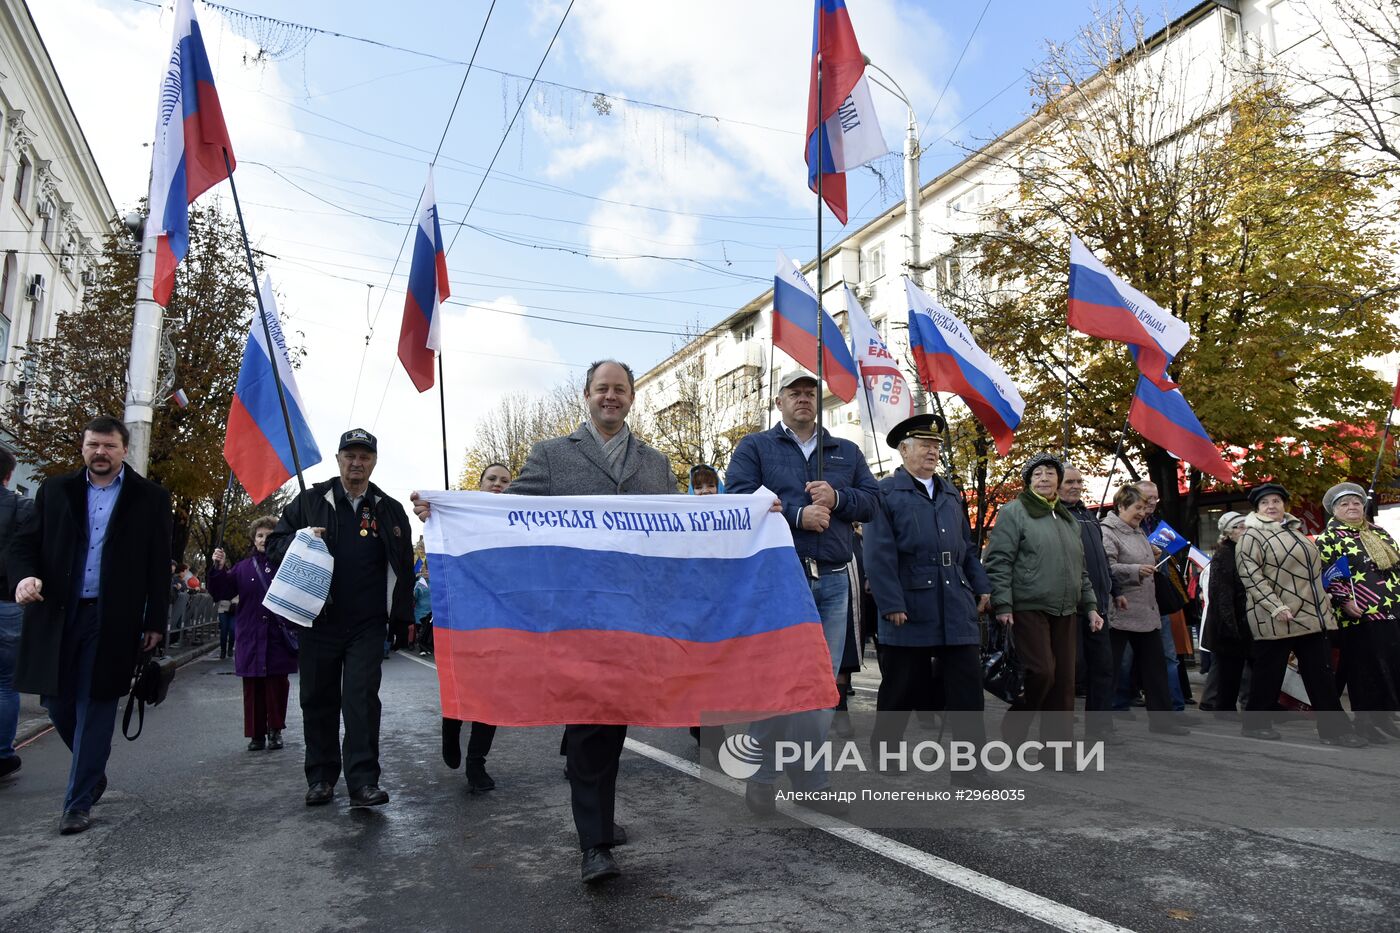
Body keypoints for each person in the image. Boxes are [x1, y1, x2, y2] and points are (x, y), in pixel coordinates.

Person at [415, 360, 677, 885]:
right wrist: (447, 509)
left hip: (632, 618)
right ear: (586, 395)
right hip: (573, 617)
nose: (611, 397)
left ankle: (600, 817)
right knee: (588, 725)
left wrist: (751, 516)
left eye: (619, 389)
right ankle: (593, 845)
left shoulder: (655, 464)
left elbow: (681, 526)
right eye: (602, 388)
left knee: (615, 720)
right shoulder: (553, 455)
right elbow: (505, 511)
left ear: (632, 397)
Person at [726, 370, 879, 815]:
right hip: (780, 578)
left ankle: (810, 781)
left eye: (810, 393)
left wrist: (837, 497)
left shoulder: (845, 450)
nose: (803, 399)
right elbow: (737, 497)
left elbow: (872, 501)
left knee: (819, 687)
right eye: (793, 393)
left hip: (833, 579)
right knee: (780, 682)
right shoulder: (756, 447)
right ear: (778, 402)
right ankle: (763, 777)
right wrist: (795, 514)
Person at [10, 417, 172, 834]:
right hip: (58, 615)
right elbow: (23, 545)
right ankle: (92, 770)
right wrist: (23, 578)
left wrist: (155, 619)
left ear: (123, 450)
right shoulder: (55, 492)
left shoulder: (150, 498)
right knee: (58, 704)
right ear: (83, 448)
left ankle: (77, 803)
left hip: (113, 619)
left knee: (96, 704)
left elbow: (158, 563)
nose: (100, 452)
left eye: (109, 446)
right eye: (93, 445)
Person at [267, 428, 416, 809]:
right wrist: (300, 537)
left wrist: (400, 620)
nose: (356, 463)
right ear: (338, 460)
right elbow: (274, 545)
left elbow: (404, 568)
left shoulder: (389, 508)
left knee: (361, 700)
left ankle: (364, 782)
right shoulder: (311, 501)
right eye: (349, 455)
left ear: (374, 462)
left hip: (368, 624)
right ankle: (320, 777)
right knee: (318, 699)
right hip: (319, 620)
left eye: (364, 456)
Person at [863, 415, 992, 778]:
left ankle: (971, 767)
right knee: (903, 686)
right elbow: (879, 554)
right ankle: (887, 754)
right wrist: (891, 603)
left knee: (968, 688)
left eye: (936, 446)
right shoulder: (885, 493)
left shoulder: (950, 492)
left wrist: (981, 585)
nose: (933, 451)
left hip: (954, 600)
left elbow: (966, 548)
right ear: (904, 450)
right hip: (910, 602)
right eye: (924, 445)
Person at [982, 453, 1103, 750]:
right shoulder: (1014, 512)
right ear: (1029, 482)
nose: (1045, 478)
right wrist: (1004, 605)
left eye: (1050, 473)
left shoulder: (1067, 519)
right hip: (1027, 606)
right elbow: (998, 561)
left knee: (1064, 682)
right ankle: (1015, 725)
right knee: (1041, 672)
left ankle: (1057, 751)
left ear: (1058, 481)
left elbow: (1081, 568)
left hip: (1066, 609)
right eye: (1038, 474)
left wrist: (1091, 607)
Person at [1235, 482, 1365, 746]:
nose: (1271, 506)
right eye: (1264, 503)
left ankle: (1334, 730)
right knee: (1268, 674)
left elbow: (1312, 574)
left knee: (1321, 674)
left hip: (1310, 616)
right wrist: (1276, 606)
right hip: (1275, 617)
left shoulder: (1295, 532)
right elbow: (1251, 576)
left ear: (1285, 505)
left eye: (1276, 501)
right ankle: (1255, 724)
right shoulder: (1251, 536)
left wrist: (1325, 601)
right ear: (1257, 509)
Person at [441, 462, 514, 794]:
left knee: (492, 693)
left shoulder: (518, 521)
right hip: (465, 615)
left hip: (501, 618)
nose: (498, 484)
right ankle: (451, 725)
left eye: (504, 481)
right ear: (480, 483)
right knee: (463, 683)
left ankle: (476, 762)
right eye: (492, 479)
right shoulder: (462, 515)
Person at [1098, 484, 1190, 736]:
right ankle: (1102, 725)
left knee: (1156, 669)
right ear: (1121, 506)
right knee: (1112, 670)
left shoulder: (1138, 531)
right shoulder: (1107, 531)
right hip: (1121, 610)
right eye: (1137, 507)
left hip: (1147, 611)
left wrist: (1152, 554)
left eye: (1144, 508)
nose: (1142, 513)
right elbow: (1107, 567)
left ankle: (1163, 721)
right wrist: (1136, 569)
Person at [1316, 482, 1400, 742]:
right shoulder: (1328, 538)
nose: (1352, 507)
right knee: (1364, 669)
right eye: (1344, 504)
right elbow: (1326, 574)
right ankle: (1365, 720)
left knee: (1392, 666)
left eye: (1356, 503)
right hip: (1359, 613)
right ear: (1334, 510)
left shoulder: (1379, 533)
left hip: (1391, 609)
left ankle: (1383, 717)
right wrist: (1343, 600)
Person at [209, 516, 298, 752]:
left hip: (277, 636)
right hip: (250, 635)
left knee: (276, 686)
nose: (263, 539)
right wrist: (218, 568)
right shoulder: (243, 568)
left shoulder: (288, 565)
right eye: (259, 535)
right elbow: (222, 591)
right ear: (254, 539)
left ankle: (275, 730)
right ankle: (256, 734)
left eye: (269, 535)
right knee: (253, 687)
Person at [1059, 465, 1125, 743]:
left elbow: (1101, 561)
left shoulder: (1089, 517)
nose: (1075, 486)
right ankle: (1057, 731)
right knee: (1069, 670)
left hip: (1098, 605)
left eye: (1078, 481)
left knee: (1103, 667)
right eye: (1069, 482)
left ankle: (1099, 727)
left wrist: (1116, 589)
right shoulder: (1055, 516)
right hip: (1070, 606)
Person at [685, 463, 727, 754]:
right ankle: (705, 727)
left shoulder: (733, 521)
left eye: (710, 485)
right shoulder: (680, 522)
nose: (705, 492)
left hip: (722, 609)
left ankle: (705, 724)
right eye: (698, 487)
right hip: (692, 611)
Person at [0, 447, 34, 780]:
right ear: (9, 475)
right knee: (6, 685)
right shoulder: (21, 507)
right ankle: (2, 754)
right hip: (9, 602)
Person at [1199, 512, 1251, 719]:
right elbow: (1222, 594)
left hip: (1239, 619)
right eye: (1239, 527)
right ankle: (1224, 708)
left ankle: (1225, 705)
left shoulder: (1242, 551)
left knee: (1232, 667)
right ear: (1228, 532)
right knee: (1229, 669)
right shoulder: (1225, 554)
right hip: (1228, 622)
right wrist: (1230, 625)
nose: (1244, 530)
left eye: (1245, 526)